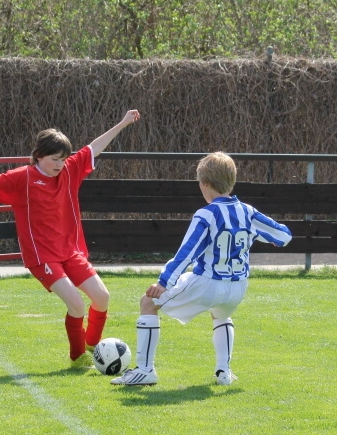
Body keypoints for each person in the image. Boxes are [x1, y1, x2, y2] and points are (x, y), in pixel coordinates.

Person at [0, 110, 141, 362]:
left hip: (70, 251)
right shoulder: (22, 177)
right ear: (38, 156)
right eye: (55, 159)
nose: (60, 164)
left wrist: (121, 123)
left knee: (102, 298)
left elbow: (94, 147)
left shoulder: (69, 170)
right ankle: (79, 358)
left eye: (64, 159)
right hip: (42, 255)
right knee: (76, 305)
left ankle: (92, 346)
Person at [111, 151, 292, 386]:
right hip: (238, 287)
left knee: (147, 303)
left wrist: (163, 282)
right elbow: (284, 236)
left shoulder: (206, 214)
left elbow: (186, 253)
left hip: (208, 282)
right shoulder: (247, 211)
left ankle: (145, 370)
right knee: (221, 314)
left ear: (205, 183)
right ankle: (224, 373)